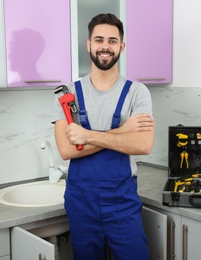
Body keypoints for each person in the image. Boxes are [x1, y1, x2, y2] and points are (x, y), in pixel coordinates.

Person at [52, 13, 154, 260]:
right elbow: (66, 150)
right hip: (81, 203)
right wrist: (122, 131)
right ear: (89, 45)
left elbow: (143, 144)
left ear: (121, 46)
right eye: (99, 40)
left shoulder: (137, 93)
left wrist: (86, 136)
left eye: (112, 40)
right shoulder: (68, 95)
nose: (105, 46)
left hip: (122, 202)